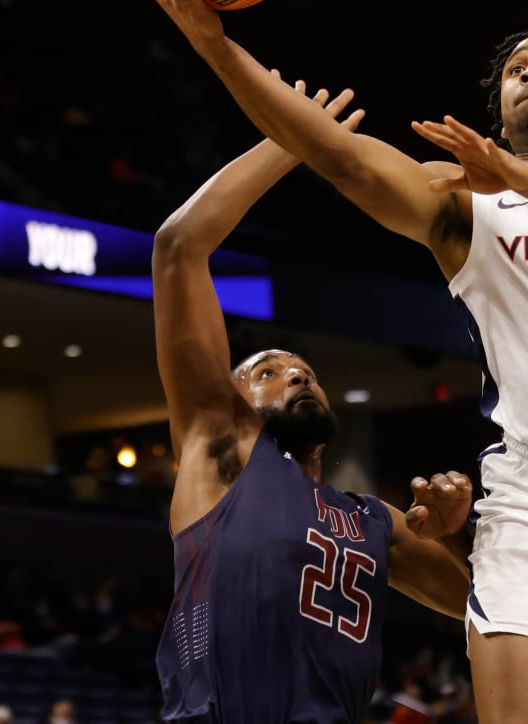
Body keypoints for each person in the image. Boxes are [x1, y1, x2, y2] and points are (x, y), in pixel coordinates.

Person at [142, 0, 528, 724]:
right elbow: (339, 156)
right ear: (498, 112)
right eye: (514, 70)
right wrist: (219, 47)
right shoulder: (465, 203)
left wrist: (521, 175)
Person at [149, 94, 475, 723]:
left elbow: (484, 606)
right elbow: (177, 246)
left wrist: (452, 529)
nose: (296, 372)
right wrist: (294, 136)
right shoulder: (221, 448)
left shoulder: (373, 519)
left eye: (305, 371)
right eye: (266, 372)